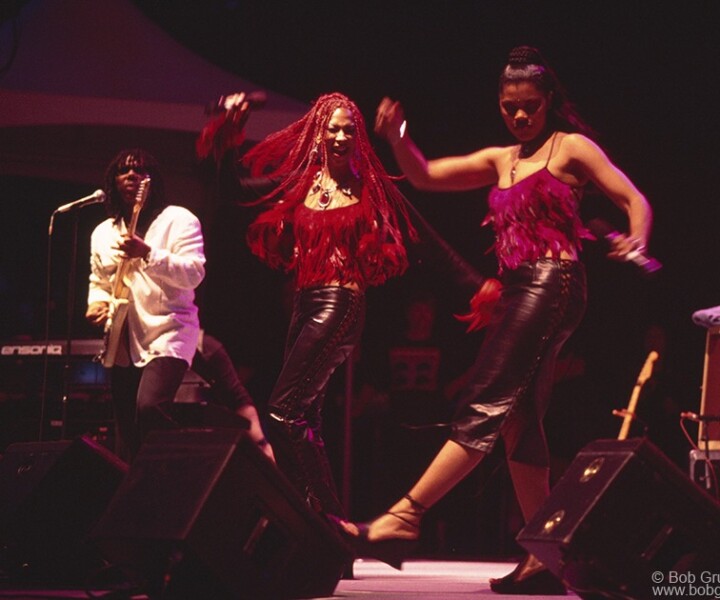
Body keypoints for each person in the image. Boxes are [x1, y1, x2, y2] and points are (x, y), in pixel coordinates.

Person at [347, 46, 654, 595]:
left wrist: (637, 239)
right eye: (510, 107)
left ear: (549, 103)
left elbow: (634, 198)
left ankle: (405, 515)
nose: (519, 116)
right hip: (519, 291)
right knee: (518, 420)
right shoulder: (501, 158)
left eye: (530, 107)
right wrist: (396, 138)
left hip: (554, 285)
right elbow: (425, 176)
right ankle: (547, 558)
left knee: (487, 398)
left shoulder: (571, 148)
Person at [197, 92, 416, 522]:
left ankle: (317, 524)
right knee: (306, 419)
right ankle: (324, 528)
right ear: (318, 134)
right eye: (331, 128)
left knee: (282, 410)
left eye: (348, 129)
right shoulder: (302, 184)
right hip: (304, 303)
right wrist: (230, 133)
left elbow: (422, 233)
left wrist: (473, 281)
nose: (339, 136)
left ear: (357, 138)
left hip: (343, 301)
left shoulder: (367, 187)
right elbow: (231, 190)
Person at [85, 148, 207, 462]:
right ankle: (131, 495)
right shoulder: (102, 233)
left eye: (139, 171)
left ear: (150, 181)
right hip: (124, 338)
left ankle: (180, 466)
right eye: (123, 171)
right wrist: (96, 303)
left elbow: (194, 273)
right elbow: (99, 279)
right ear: (113, 181)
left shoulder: (179, 220)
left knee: (150, 407)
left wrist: (148, 253)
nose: (131, 176)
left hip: (170, 331)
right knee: (125, 429)